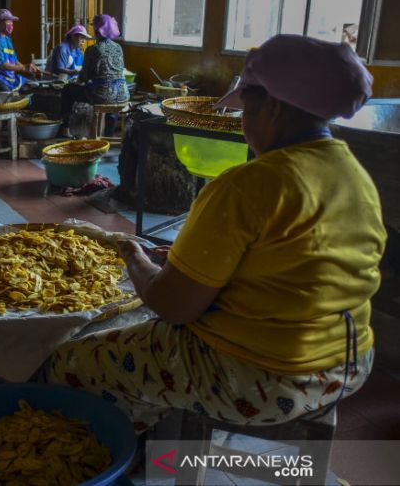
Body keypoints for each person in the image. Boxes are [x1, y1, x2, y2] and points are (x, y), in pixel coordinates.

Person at [45, 35, 385, 432]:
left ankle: (122, 453)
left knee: (69, 362)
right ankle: (152, 437)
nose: (242, 122)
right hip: (349, 363)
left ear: (271, 106)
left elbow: (172, 307)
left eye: (246, 108)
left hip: (265, 377)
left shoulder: (249, 183)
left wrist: (134, 258)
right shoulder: (356, 176)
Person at [59, 15, 128, 137]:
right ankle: (108, 136)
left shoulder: (93, 49)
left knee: (67, 90)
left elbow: (84, 77)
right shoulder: (118, 48)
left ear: (97, 31)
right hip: (123, 93)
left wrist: (78, 81)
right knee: (111, 99)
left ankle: (65, 129)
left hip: (102, 95)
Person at [0, 8, 39, 93]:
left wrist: (30, 67)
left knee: (32, 86)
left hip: (9, 78)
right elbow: (3, 65)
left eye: (12, 22)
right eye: (8, 21)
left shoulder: (7, 39)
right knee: (6, 93)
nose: (11, 24)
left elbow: (15, 61)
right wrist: (24, 68)